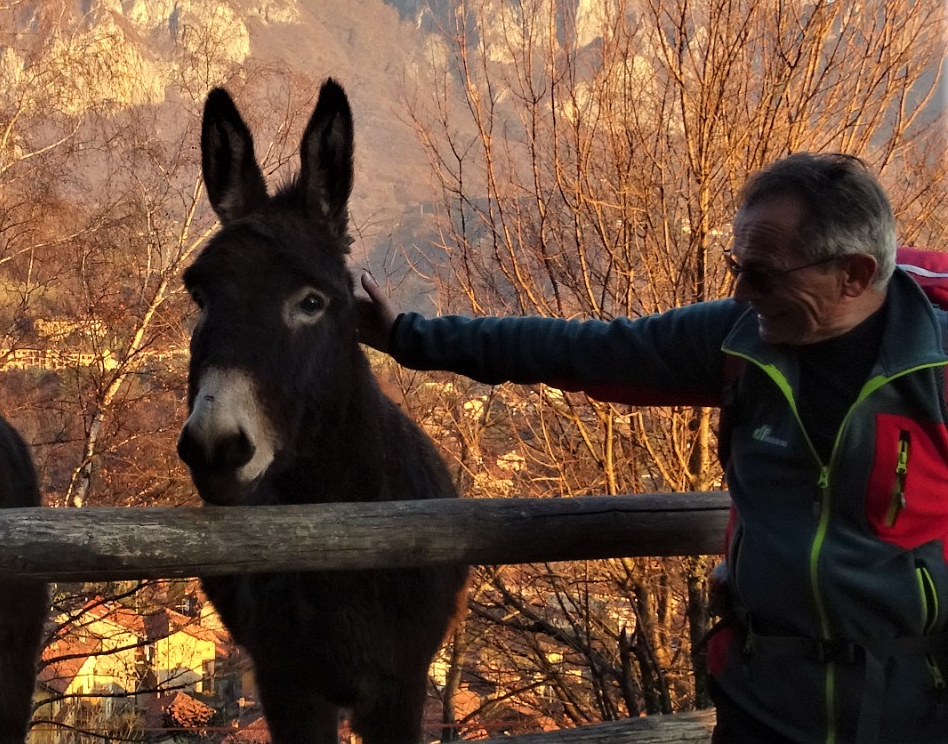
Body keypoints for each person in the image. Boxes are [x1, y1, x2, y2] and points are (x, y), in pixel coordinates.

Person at [355, 153, 948, 744]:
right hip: (764, 702)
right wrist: (408, 336)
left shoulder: (936, 370)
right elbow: (577, 350)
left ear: (854, 274)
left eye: (763, 275)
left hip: (910, 710)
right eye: (734, 266)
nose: (740, 292)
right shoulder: (739, 342)